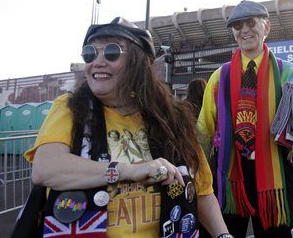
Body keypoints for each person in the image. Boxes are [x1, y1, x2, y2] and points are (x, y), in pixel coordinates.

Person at [24, 17, 231, 238]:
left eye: (111, 52)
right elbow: (46, 168)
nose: (98, 61)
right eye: (90, 53)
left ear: (138, 62)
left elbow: (201, 191)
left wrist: (223, 236)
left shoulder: (173, 119)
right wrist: (129, 170)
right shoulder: (71, 109)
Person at [197, 0, 293, 237]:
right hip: (229, 177)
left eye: (250, 23)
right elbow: (203, 134)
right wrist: (196, 185)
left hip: (279, 179)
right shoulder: (219, 78)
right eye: (237, 26)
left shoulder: (289, 73)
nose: (244, 30)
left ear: (266, 28)